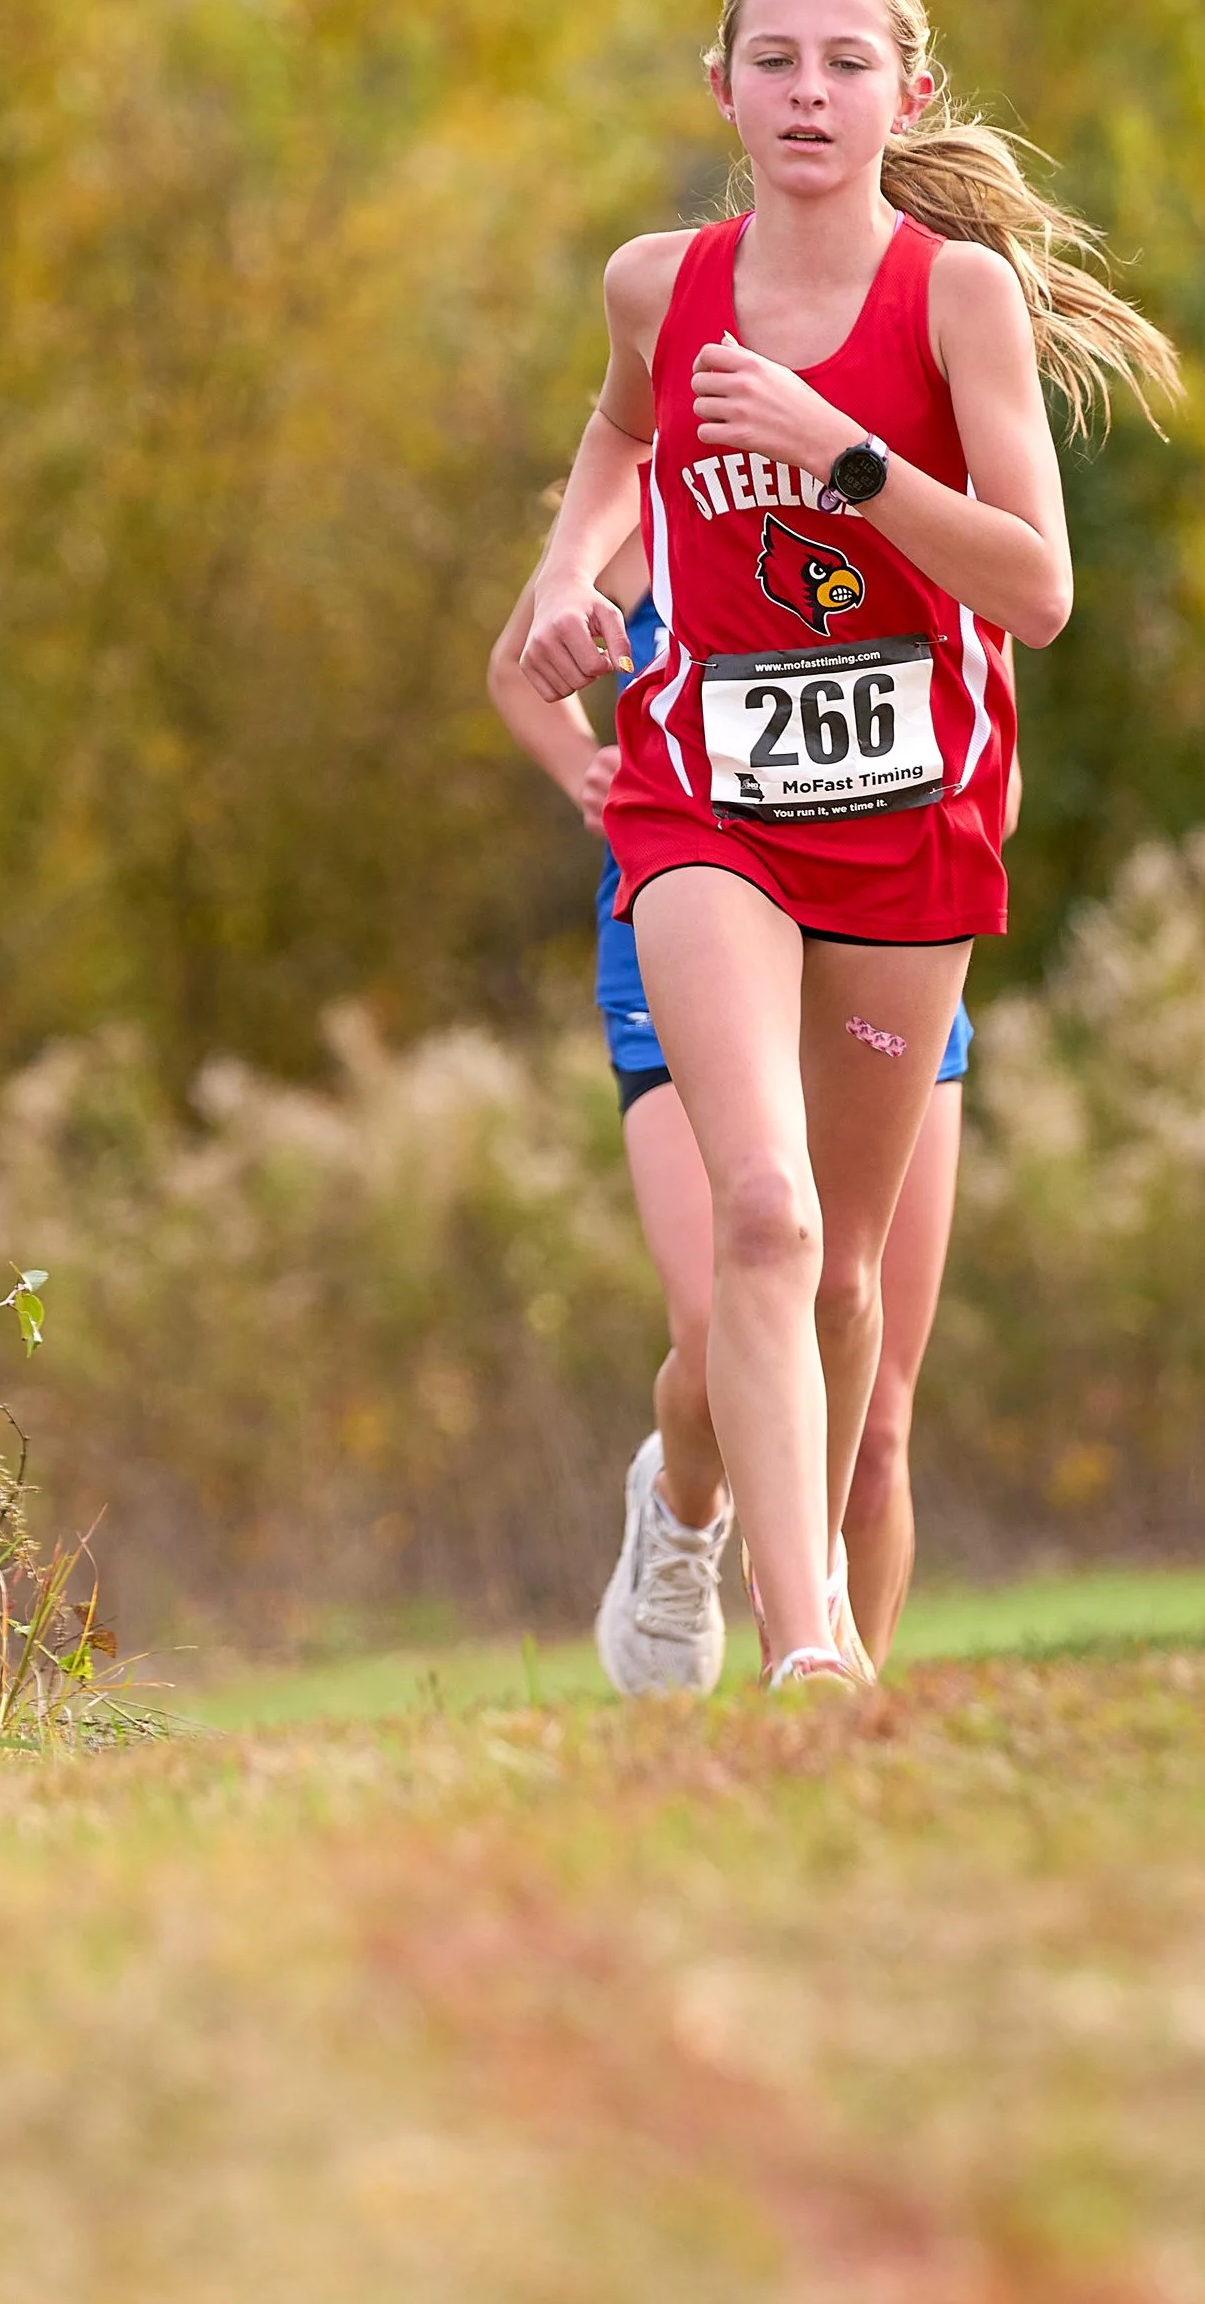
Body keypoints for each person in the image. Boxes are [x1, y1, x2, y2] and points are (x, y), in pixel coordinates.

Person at [517, 0, 1175, 1691]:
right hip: (702, 802)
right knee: (764, 1218)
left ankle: (757, 1576)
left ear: (911, 91)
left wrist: (844, 456)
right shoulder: (657, 286)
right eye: (777, 60)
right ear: (719, 89)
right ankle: (804, 1652)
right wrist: (570, 584)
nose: (810, 93)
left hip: (908, 822)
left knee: (853, 1299)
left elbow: (1037, 591)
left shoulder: (955, 299)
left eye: (846, 62)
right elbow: (617, 443)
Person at [488, 535, 1012, 1692]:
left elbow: (999, 749)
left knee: (871, 1423)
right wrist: (588, 767)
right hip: (687, 921)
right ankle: (683, 1513)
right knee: (717, 1309)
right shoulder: (671, 491)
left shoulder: (908, 482)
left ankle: (839, 1720)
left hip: (879, 928)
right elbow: (516, 664)